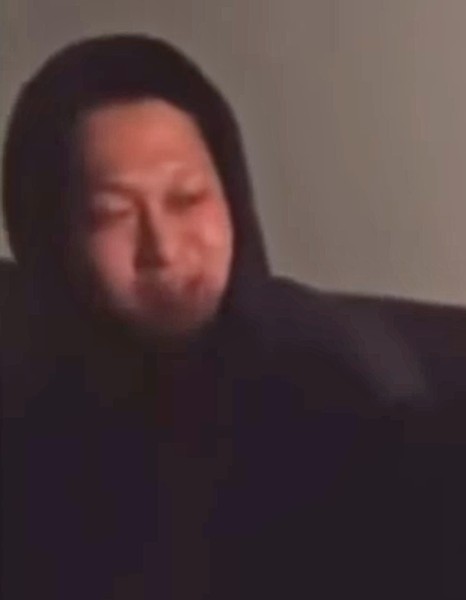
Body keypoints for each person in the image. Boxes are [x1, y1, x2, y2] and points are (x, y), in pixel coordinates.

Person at [0, 34, 418, 599]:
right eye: (113, 214)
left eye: (188, 198)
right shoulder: (27, 398)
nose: (163, 248)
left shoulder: (330, 381)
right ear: (52, 238)